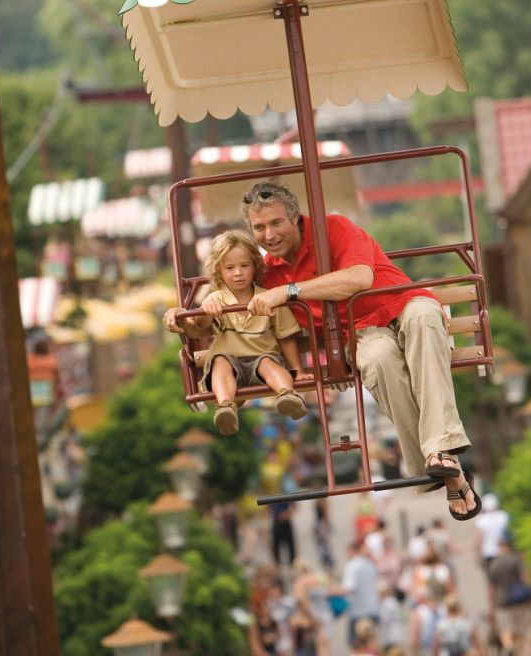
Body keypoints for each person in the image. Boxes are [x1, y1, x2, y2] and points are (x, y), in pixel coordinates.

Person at [172, 180, 480, 519]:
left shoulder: (334, 229)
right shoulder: (266, 275)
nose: (269, 235)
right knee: (377, 362)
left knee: (424, 318)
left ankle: (437, 452)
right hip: (360, 334)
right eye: (259, 228)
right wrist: (181, 316)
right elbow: (223, 303)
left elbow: (360, 278)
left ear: (294, 217)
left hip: (402, 304)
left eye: (276, 223)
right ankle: (444, 461)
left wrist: (290, 291)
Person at [166, 230, 309, 435]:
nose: (238, 273)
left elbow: (285, 337)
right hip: (229, 358)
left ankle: (287, 395)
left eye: (244, 266)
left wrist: (299, 370)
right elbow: (201, 327)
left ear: (255, 266)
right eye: (230, 268)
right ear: (219, 270)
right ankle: (225, 406)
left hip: (262, 356)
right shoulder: (216, 299)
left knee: (269, 364)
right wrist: (208, 312)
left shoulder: (269, 298)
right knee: (220, 362)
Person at [487, 538, 531, 656]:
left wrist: (491, 607)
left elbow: (491, 589)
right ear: (509, 547)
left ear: (499, 548)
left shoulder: (494, 564)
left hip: (502, 603)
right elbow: (525, 578)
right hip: (519, 600)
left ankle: (509, 647)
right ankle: (521, 652)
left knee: (506, 630)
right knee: (521, 631)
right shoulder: (516, 560)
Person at [341, 539, 381, 645]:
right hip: (373, 610)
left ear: (351, 551)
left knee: (357, 646)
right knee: (372, 644)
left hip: (358, 613)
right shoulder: (370, 564)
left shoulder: (352, 566)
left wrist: (328, 591)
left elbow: (348, 588)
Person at [474, 494, 511, 571]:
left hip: (488, 553)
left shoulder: (481, 519)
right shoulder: (503, 516)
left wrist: (478, 556)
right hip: (503, 552)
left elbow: (479, 539)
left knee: (492, 577)